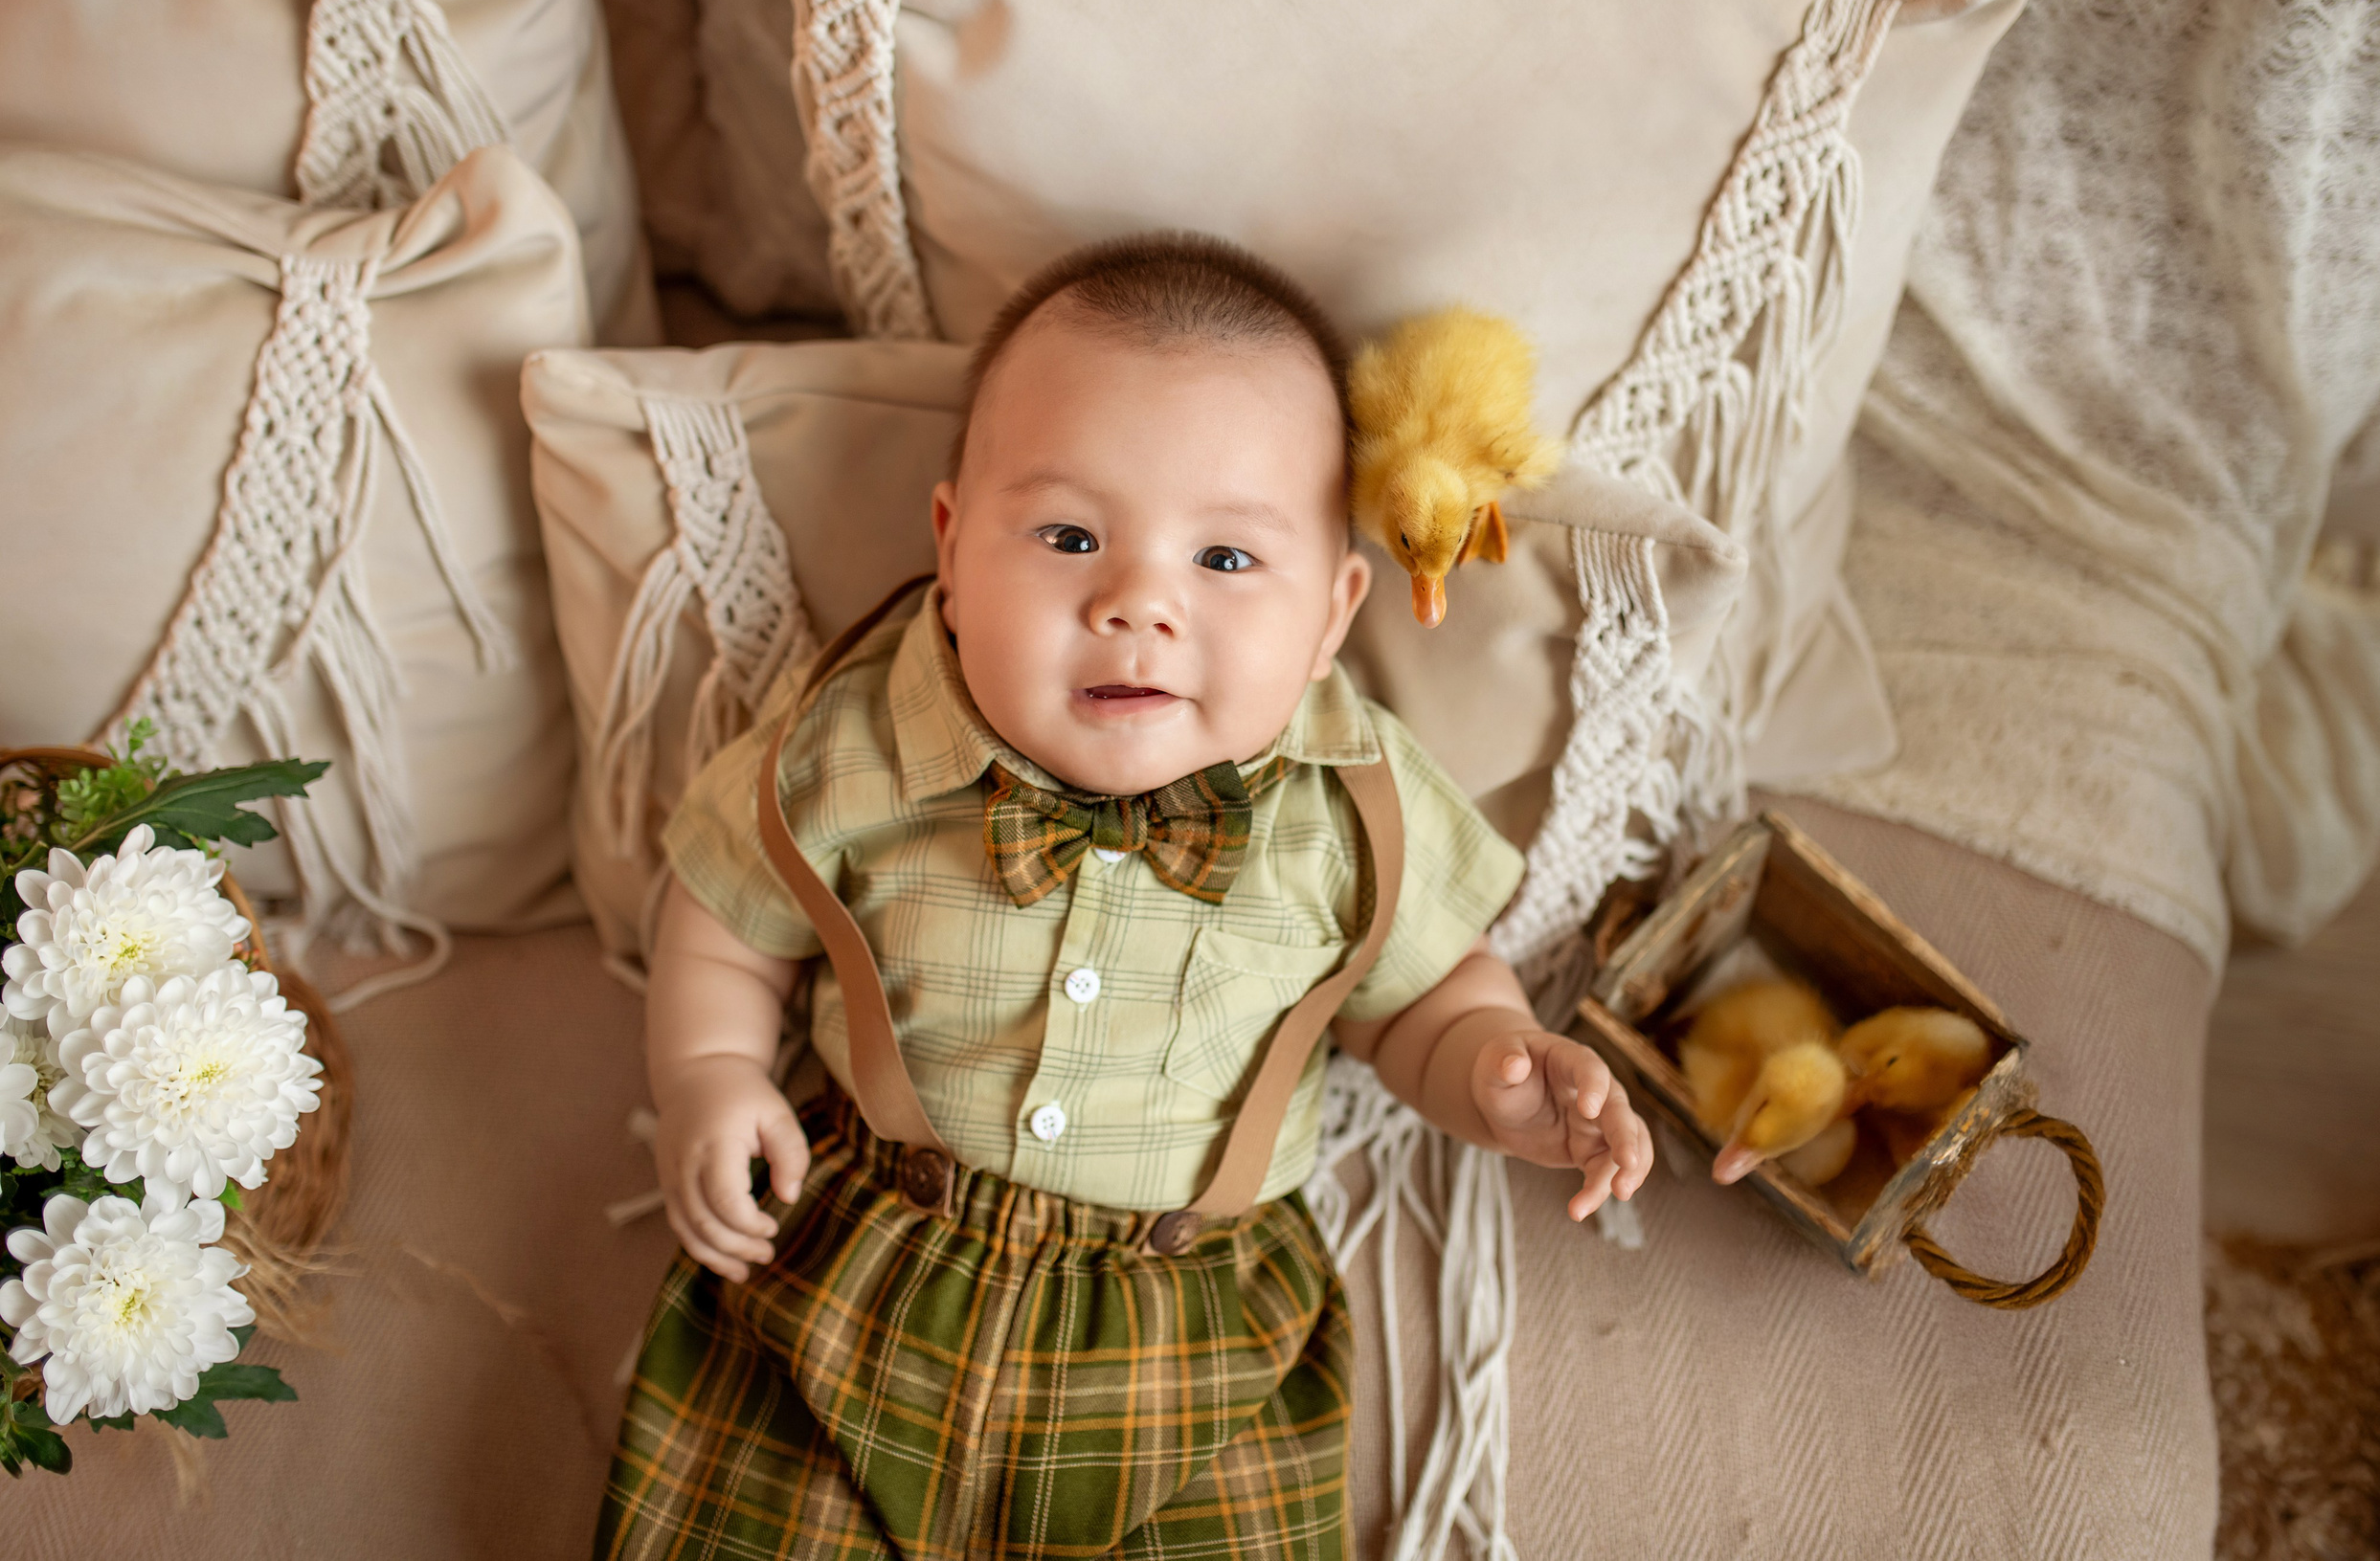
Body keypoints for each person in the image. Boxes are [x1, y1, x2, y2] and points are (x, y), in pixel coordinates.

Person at [598, 233, 1652, 1560]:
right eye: (1069, 535)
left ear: (1332, 615)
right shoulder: (855, 742)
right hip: (860, 1255)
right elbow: (726, 909)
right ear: (952, 546)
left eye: (1225, 561)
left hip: (1186, 1326)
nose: (1137, 603)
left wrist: (1493, 1066)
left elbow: (1425, 996)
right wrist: (707, 1068)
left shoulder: (1355, 802)